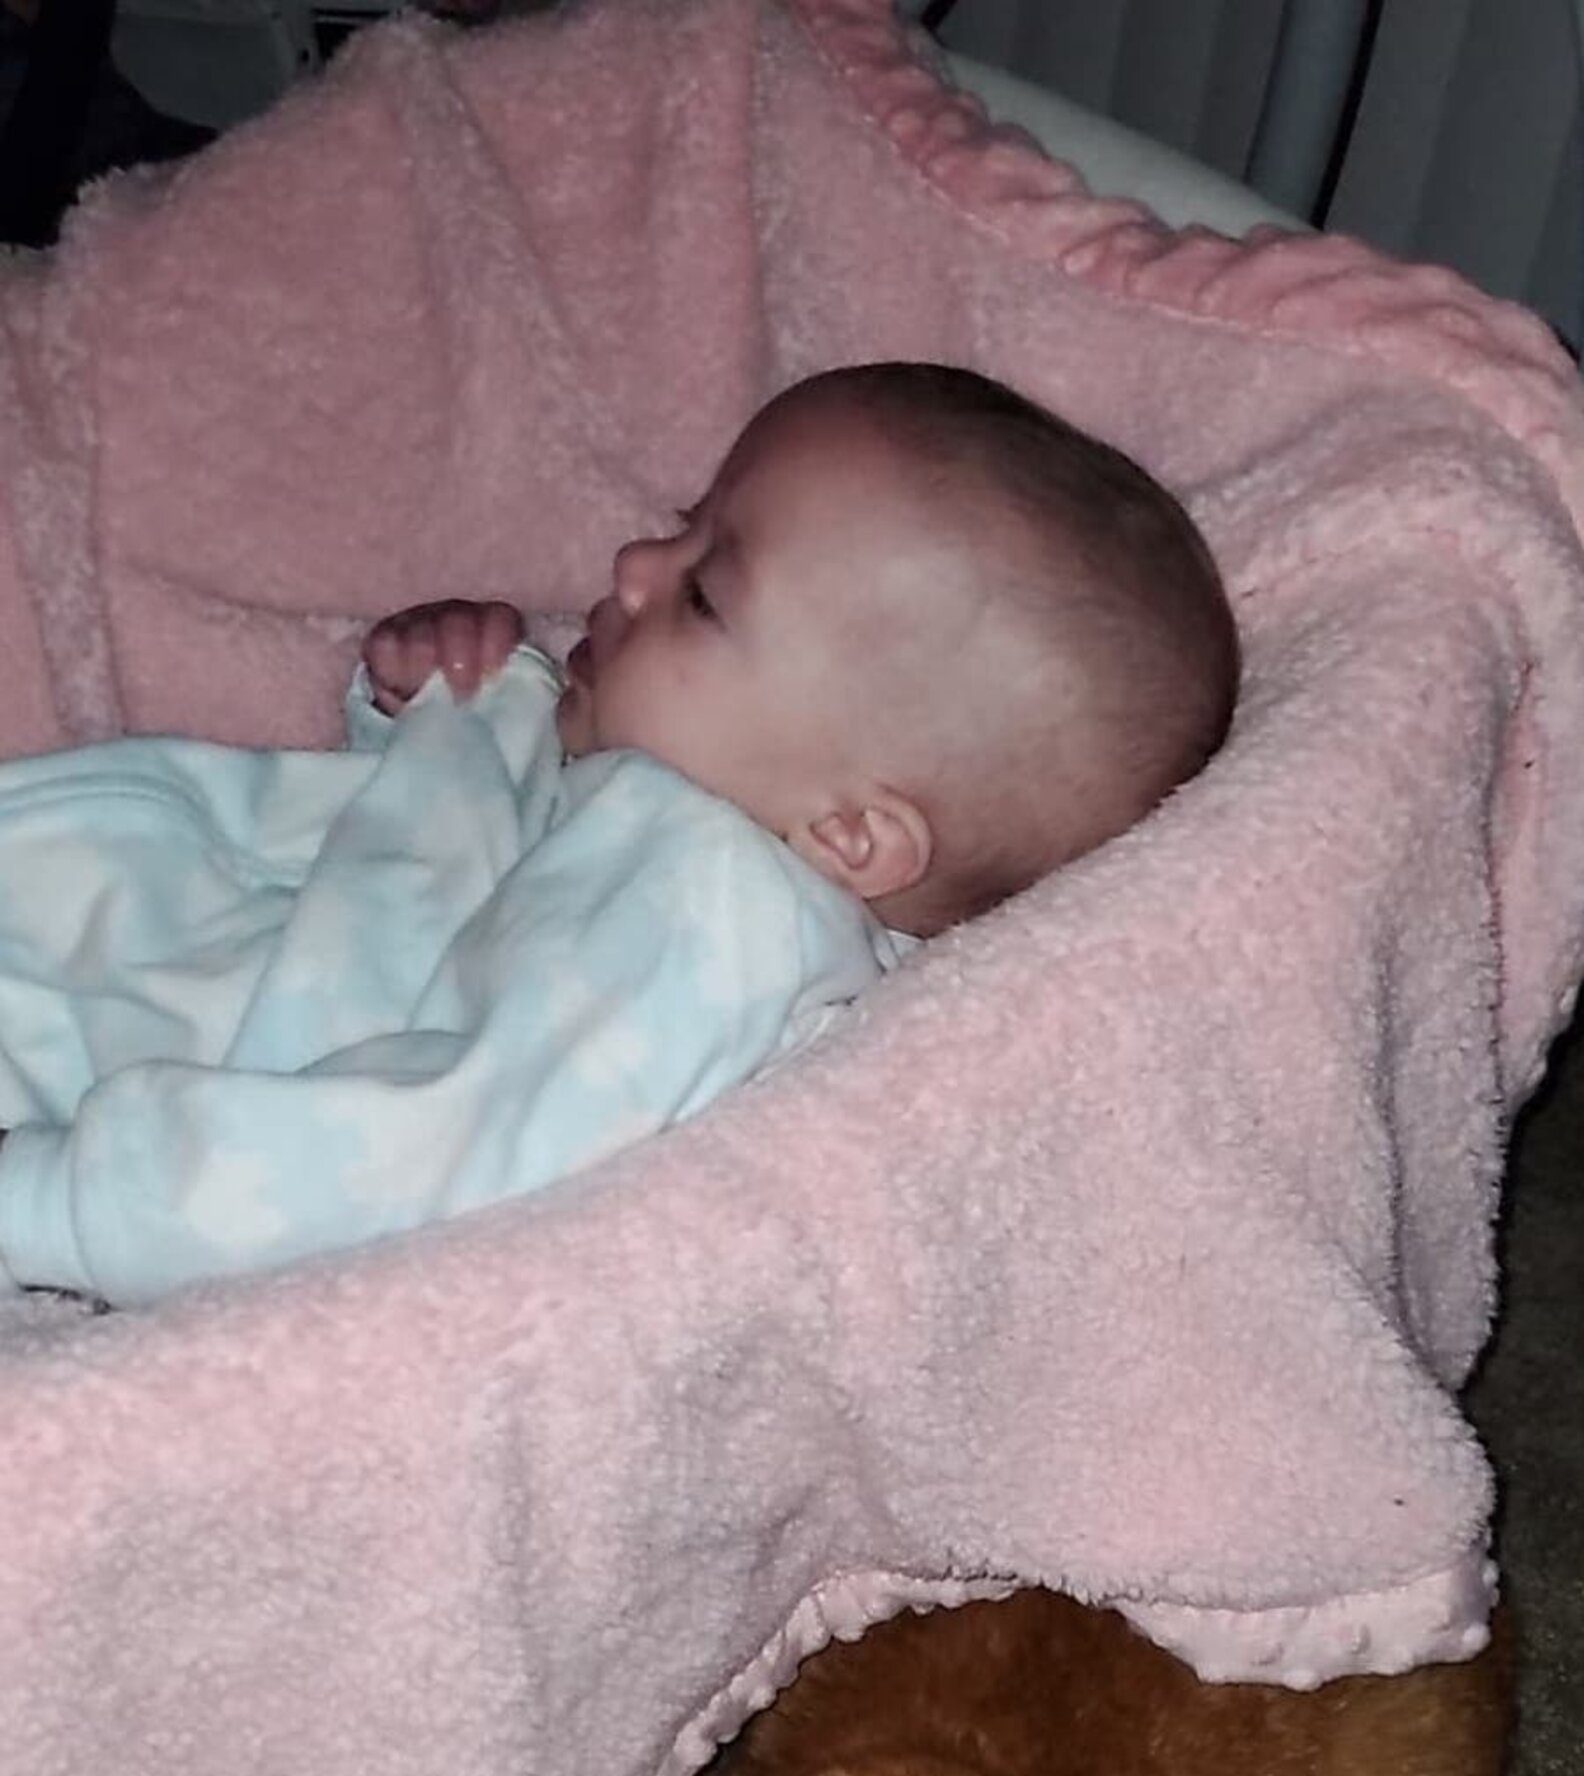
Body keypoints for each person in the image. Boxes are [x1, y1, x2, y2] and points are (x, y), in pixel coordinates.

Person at [0, 363, 1238, 1307]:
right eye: (684, 521)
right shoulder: (673, 826)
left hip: (91, 1079)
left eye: (704, 593)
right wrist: (445, 716)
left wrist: (44, 1201)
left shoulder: (710, 913)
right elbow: (416, 915)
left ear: (853, 832)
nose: (636, 562)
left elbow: (411, 1152)